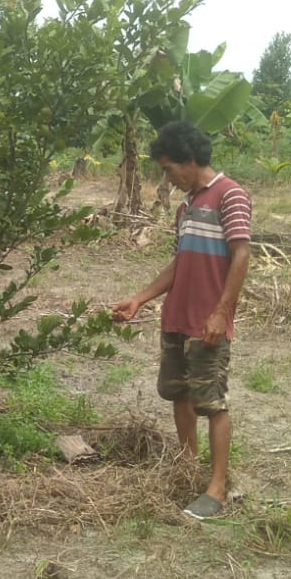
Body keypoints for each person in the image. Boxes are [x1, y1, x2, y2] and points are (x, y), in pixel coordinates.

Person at [112, 121, 251, 521]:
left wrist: (221, 312)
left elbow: (241, 256)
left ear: (190, 160)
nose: (168, 178)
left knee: (212, 402)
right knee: (178, 394)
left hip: (208, 321)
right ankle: (187, 469)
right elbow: (180, 263)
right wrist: (140, 298)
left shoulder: (231, 195)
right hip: (177, 318)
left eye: (170, 169)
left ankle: (217, 488)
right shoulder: (186, 206)